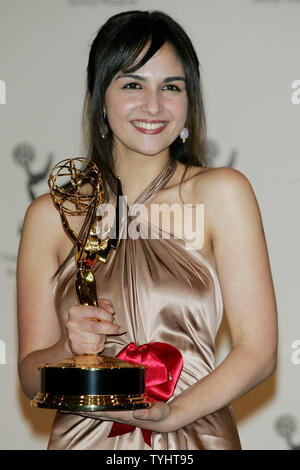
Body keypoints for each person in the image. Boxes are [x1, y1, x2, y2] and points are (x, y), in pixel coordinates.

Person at [17, 10, 278, 450]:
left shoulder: (222, 194)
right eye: (133, 84)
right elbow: (29, 378)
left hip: (197, 436)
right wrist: (69, 345)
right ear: (101, 98)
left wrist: (173, 413)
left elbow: (259, 352)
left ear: (189, 102)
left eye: (171, 87)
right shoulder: (52, 214)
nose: (153, 105)